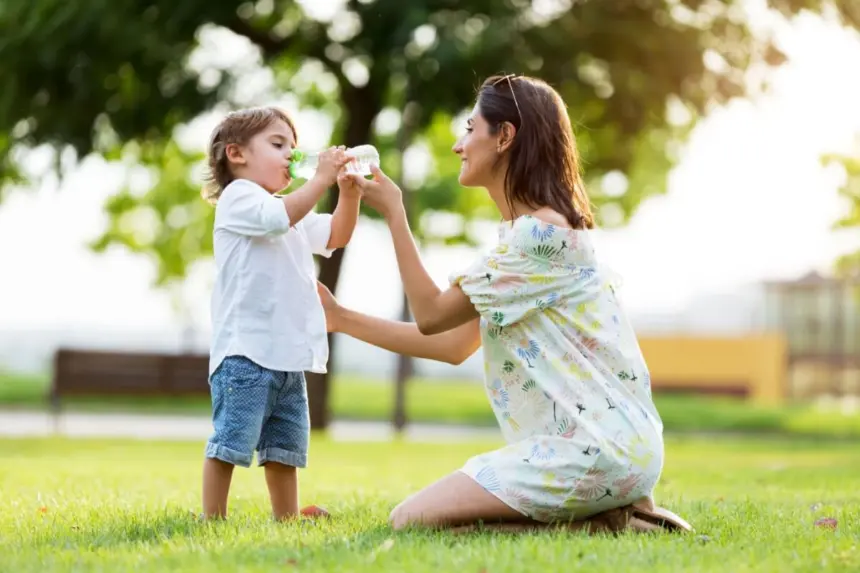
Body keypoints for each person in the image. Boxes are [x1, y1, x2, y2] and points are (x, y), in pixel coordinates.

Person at [322, 75, 691, 534]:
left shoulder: (535, 238)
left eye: (470, 128)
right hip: (619, 449)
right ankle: (621, 514)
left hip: (590, 452)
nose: (460, 145)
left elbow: (432, 314)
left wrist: (396, 214)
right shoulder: (541, 235)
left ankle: (606, 524)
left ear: (505, 136)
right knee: (425, 520)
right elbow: (453, 344)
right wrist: (339, 318)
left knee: (410, 520)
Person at [200, 106, 359, 521]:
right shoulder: (240, 199)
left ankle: (285, 519)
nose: (291, 154)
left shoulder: (287, 210)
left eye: (294, 145)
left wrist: (349, 192)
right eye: (277, 144)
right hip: (245, 353)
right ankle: (212, 517)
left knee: (285, 448)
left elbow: (337, 235)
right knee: (231, 441)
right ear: (236, 154)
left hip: (286, 356)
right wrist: (321, 178)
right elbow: (279, 217)